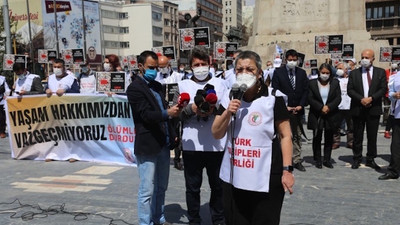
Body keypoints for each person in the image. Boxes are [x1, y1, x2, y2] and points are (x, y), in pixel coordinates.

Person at [212, 50, 294, 225]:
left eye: (249, 69)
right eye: (239, 69)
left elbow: (285, 135)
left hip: (265, 176)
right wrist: (228, 112)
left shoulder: (274, 98)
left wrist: (287, 170)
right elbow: (216, 132)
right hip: (235, 175)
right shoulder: (229, 96)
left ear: (259, 73)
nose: (244, 73)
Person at [126, 50, 180, 225]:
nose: (154, 71)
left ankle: (159, 217)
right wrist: (167, 113)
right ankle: (145, 222)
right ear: (140, 66)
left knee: (161, 187)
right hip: (147, 144)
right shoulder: (134, 88)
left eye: (156, 67)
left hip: (163, 144)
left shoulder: (157, 86)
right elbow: (146, 115)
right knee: (147, 189)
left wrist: (172, 134)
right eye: (151, 67)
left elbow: (165, 114)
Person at [178, 46, 227, 225]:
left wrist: (213, 110)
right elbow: (177, 115)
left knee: (218, 186)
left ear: (210, 64)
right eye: (196, 64)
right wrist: (192, 109)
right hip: (192, 146)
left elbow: (228, 112)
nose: (200, 67)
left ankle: (218, 219)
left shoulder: (221, 84)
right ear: (190, 67)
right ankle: (194, 220)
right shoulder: (183, 85)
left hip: (216, 144)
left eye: (203, 64)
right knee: (192, 188)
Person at [347, 49, 387, 170]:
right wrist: (361, 99)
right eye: (362, 57)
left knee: (372, 135)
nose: (364, 59)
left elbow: (383, 89)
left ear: (373, 59)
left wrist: (371, 98)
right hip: (358, 108)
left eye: (367, 57)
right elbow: (350, 90)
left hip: (373, 108)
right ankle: (357, 158)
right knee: (357, 135)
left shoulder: (380, 72)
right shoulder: (354, 73)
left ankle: (370, 158)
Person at [272, 49, 309, 172]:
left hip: (298, 110)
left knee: (297, 135)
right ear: (285, 60)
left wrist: (301, 105)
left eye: (294, 60)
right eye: (290, 60)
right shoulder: (278, 73)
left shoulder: (302, 73)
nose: (292, 62)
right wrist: (284, 106)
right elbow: (275, 90)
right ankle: (283, 160)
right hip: (284, 110)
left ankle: (297, 159)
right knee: (283, 135)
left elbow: (305, 91)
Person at [307, 63, 341, 169]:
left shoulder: (335, 83)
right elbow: (310, 98)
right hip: (317, 114)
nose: (325, 75)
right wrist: (321, 107)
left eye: (327, 73)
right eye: (323, 73)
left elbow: (338, 98)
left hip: (331, 114)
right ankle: (317, 159)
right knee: (317, 137)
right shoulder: (312, 83)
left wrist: (329, 107)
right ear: (319, 72)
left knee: (329, 138)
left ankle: (327, 159)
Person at [379, 70, 400, 180]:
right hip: (398, 114)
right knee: (396, 145)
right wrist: (394, 95)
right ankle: (393, 171)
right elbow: (390, 93)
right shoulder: (396, 76)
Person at [333, 62, 353, 149]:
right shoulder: (335, 80)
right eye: (337, 69)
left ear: (345, 69)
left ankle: (351, 142)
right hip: (338, 106)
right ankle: (336, 142)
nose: (339, 70)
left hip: (349, 106)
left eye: (340, 68)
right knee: (336, 125)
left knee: (351, 125)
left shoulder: (351, 79)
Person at [383, 62, 398, 138]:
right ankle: (387, 130)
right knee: (392, 114)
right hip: (395, 98)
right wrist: (394, 94)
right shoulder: (395, 76)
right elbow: (390, 86)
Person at [0, 73, 11, 138]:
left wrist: (6, 94)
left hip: (1, 101)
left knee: (1, 117)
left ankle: (2, 131)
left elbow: (7, 89)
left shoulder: (2, 79)